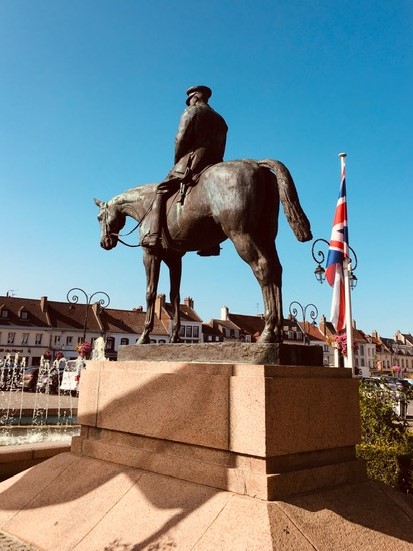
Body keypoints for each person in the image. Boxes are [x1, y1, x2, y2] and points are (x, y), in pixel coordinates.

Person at [141, 85, 228, 252]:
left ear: (194, 97)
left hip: (193, 160)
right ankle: (212, 244)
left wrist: (178, 161)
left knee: (160, 190)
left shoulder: (191, 112)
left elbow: (180, 139)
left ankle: (154, 236)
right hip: (215, 162)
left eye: (190, 100)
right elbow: (221, 145)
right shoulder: (221, 119)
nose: (189, 103)